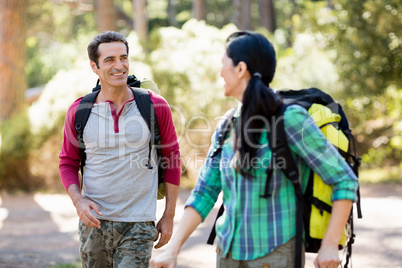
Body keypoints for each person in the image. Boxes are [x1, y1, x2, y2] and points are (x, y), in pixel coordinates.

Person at [150, 31, 358, 268]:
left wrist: (330, 244)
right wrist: (173, 249)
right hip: (227, 254)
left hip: (275, 256)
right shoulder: (227, 125)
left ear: (240, 69)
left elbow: (344, 180)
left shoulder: (290, 119)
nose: (219, 72)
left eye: (223, 64)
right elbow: (204, 193)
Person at [59, 31, 181, 267]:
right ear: (94, 66)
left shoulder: (155, 105)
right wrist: (78, 201)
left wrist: (169, 215)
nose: (119, 66)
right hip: (94, 223)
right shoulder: (79, 110)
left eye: (123, 58)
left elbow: (172, 158)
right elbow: (68, 162)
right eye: (110, 60)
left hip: (139, 223)